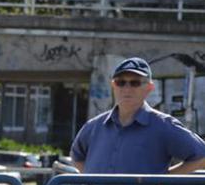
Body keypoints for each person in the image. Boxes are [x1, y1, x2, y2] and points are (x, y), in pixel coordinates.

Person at [70, 57, 205, 175]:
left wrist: (165, 180)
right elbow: (76, 156)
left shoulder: (164, 126)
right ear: (113, 85)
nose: (127, 88)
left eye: (135, 82)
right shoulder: (94, 126)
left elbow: (201, 156)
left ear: (149, 88)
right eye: (120, 82)